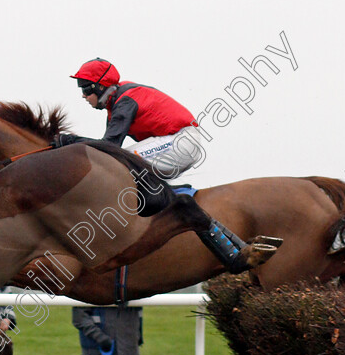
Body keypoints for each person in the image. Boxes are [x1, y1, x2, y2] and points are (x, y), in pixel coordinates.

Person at [54, 57, 256, 272]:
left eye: (86, 89)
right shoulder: (117, 100)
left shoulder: (124, 101)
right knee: (122, 165)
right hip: (177, 141)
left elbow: (109, 145)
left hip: (180, 142)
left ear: (101, 86)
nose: (83, 96)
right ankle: (234, 245)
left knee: (119, 160)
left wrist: (71, 141)